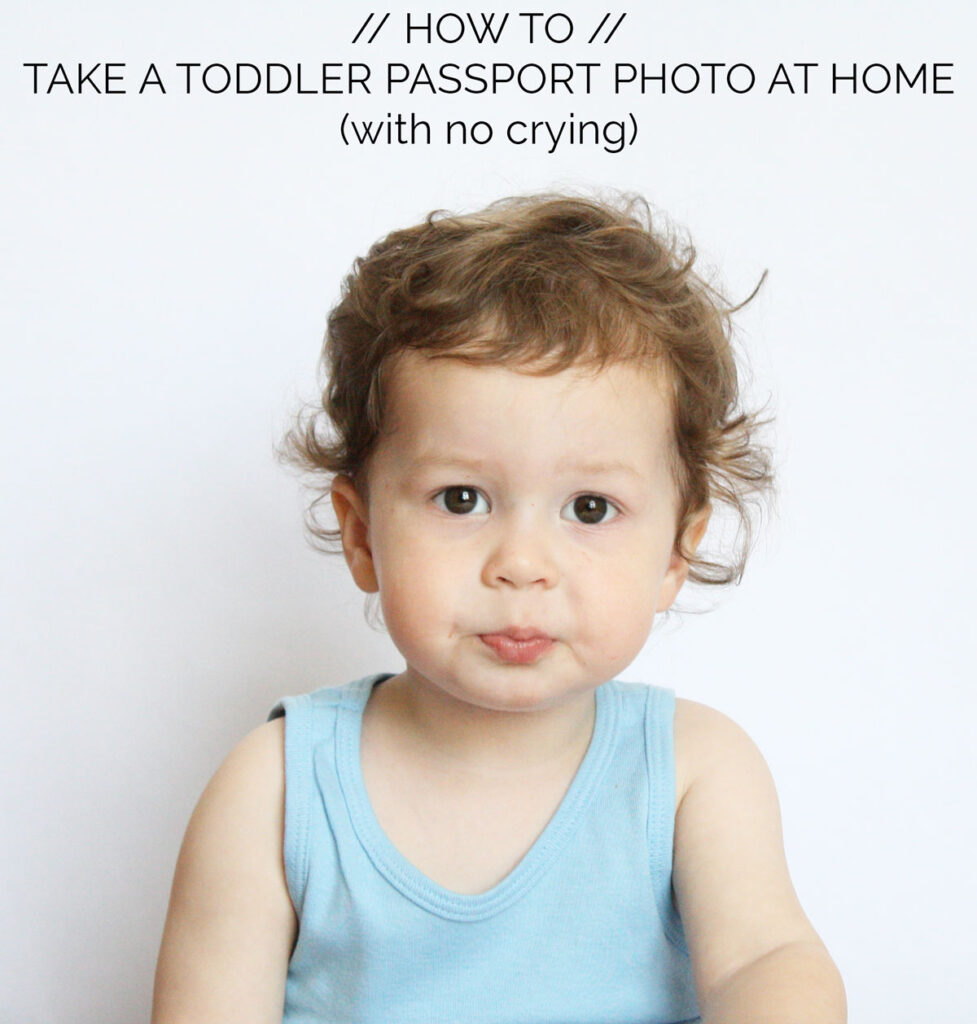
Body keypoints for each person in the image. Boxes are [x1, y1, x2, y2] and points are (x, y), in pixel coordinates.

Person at [151, 193, 846, 1023]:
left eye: (589, 508)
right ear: (363, 534)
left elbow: (765, 960)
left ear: (674, 552)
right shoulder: (274, 789)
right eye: (460, 498)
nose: (520, 565)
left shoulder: (696, 772)